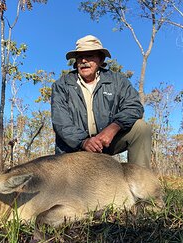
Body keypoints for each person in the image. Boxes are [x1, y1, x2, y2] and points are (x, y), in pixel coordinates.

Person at [51, 34, 152, 169]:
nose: (84, 61)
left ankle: (142, 184)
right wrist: (83, 141)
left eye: (90, 56)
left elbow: (134, 106)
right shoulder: (62, 85)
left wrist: (113, 128)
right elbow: (61, 122)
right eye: (80, 57)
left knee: (141, 128)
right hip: (74, 148)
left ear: (101, 59)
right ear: (75, 61)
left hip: (106, 142)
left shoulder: (117, 81)